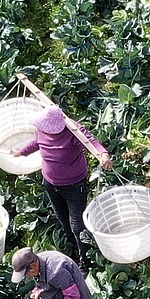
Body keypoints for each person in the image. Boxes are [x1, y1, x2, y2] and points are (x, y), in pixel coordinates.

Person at [14, 107, 110, 264]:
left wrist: (103, 154)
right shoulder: (41, 129)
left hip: (74, 185)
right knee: (62, 218)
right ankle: (73, 246)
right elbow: (35, 143)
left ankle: (85, 261)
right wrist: (21, 152)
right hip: (50, 183)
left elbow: (91, 142)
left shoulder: (73, 131)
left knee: (78, 226)